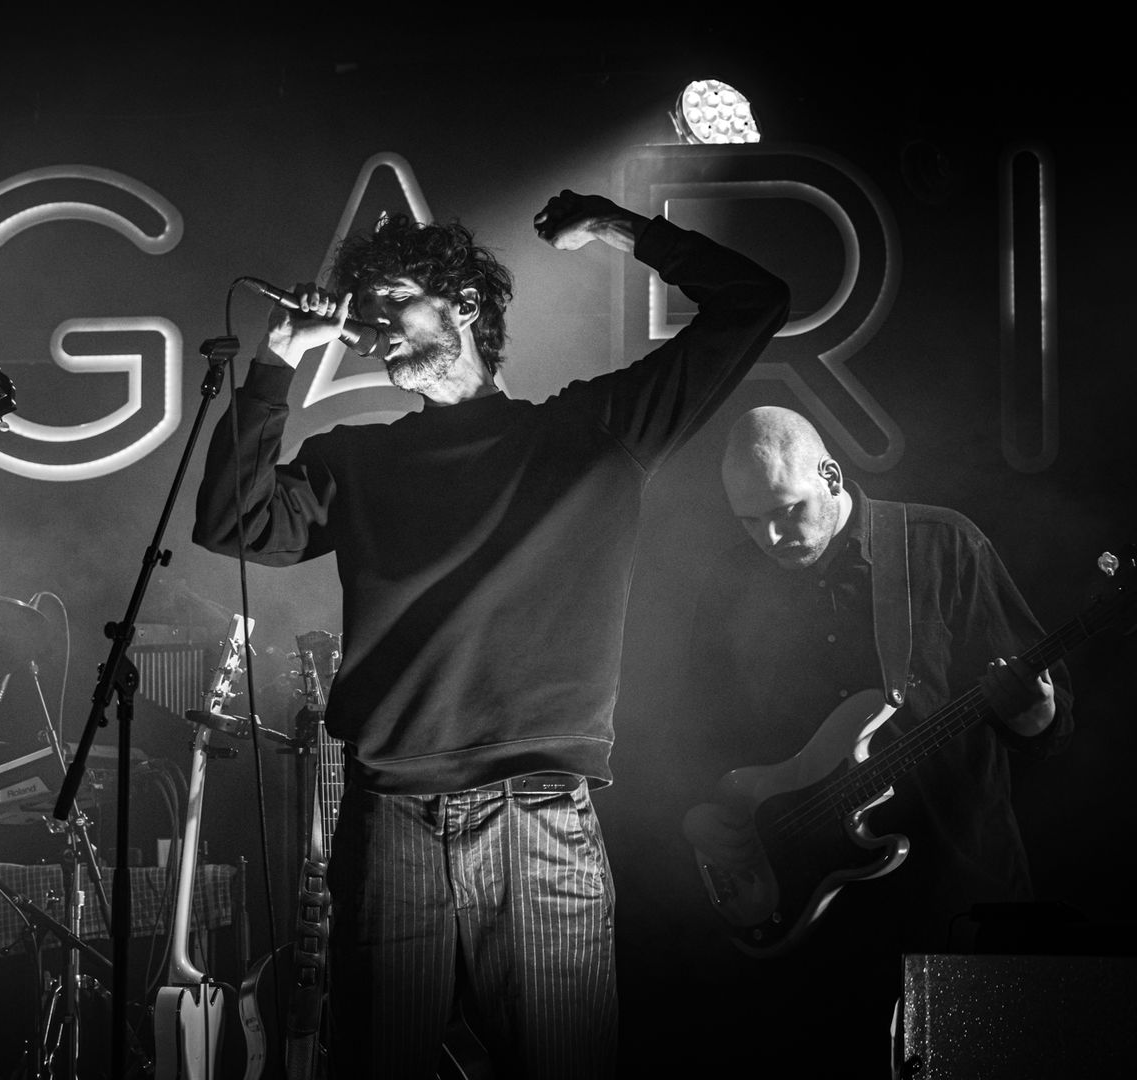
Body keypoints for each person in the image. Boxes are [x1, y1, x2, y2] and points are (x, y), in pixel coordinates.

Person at [192, 191, 790, 1078]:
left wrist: (620, 226)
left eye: (394, 298)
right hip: (388, 819)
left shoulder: (593, 435)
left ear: (463, 306)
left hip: (536, 817)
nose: (374, 324)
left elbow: (754, 303)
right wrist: (274, 369)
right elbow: (233, 524)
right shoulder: (357, 461)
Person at [676, 405, 1071, 1074]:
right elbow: (701, 730)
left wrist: (1037, 712)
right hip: (815, 919)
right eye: (749, 521)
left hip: (957, 894)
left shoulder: (942, 546)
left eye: (788, 510)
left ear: (830, 474)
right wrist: (698, 817)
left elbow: (1045, 726)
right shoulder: (731, 582)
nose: (772, 536)